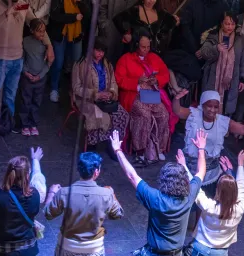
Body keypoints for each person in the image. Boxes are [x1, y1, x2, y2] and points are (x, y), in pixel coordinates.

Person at [114, 130, 203, 256]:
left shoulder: (155, 198)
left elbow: (131, 175)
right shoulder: (189, 196)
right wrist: (201, 148)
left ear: (163, 180)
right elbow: (200, 173)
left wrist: (118, 150)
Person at [0, 0, 55, 139]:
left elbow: (36, 23)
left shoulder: (23, 4)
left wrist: (49, 45)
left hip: (17, 58)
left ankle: (8, 120)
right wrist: (7, 12)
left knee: (11, 93)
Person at [171, 90, 244, 193]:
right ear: (202, 105)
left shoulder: (222, 121)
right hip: (190, 168)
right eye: (209, 106)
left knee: (205, 203)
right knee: (188, 199)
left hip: (211, 172)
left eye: (216, 107)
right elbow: (177, 111)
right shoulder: (194, 115)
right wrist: (177, 98)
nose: (212, 110)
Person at [115, 33, 174, 165]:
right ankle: (140, 151)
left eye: (148, 47)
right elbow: (119, 79)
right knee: (144, 115)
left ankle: (158, 148)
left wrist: (156, 79)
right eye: (143, 47)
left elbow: (165, 74)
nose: (145, 50)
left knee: (163, 114)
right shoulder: (125, 59)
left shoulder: (154, 58)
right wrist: (137, 81)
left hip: (151, 94)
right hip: (134, 94)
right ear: (136, 45)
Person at [72, 38, 130, 158]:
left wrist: (111, 93)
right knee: (99, 116)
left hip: (105, 100)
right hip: (87, 100)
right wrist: (95, 94)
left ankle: (113, 145)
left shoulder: (107, 64)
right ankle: (91, 146)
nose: (100, 54)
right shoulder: (80, 64)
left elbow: (113, 82)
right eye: (98, 51)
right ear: (91, 50)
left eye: (102, 52)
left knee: (123, 115)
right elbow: (76, 88)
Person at [199, 12, 244, 117]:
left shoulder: (240, 38)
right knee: (211, 103)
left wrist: (243, 78)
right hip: (213, 77)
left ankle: (223, 129)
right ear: (221, 24)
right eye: (227, 24)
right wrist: (216, 48)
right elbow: (204, 52)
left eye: (232, 24)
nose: (230, 27)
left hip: (232, 78)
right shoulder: (213, 35)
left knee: (227, 103)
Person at [46, 0, 90, 103]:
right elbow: (55, 16)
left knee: (76, 64)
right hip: (60, 35)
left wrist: (81, 3)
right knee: (58, 63)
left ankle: (75, 90)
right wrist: (73, 17)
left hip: (76, 35)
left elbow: (87, 15)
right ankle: (54, 88)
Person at [19, 19, 51, 136]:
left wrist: (40, 76)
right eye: (39, 31)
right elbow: (21, 58)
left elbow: (49, 63)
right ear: (32, 30)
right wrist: (25, 72)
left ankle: (33, 123)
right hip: (27, 78)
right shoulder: (25, 41)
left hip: (40, 79)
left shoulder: (46, 44)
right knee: (25, 101)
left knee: (36, 102)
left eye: (43, 31)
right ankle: (24, 124)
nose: (42, 34)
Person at [113, 0, 177, 56]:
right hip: (134, 52)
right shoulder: (134, 10)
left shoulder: (162, 13)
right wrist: (126, 33)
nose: (151, 0)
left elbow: (172, 22)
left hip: (154, 53)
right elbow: (117, 19)